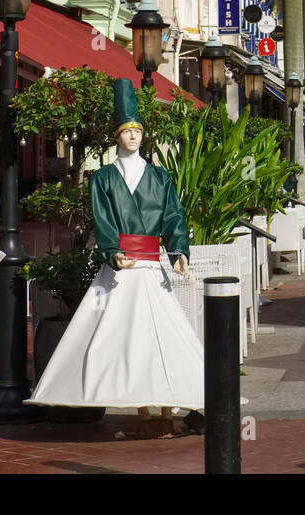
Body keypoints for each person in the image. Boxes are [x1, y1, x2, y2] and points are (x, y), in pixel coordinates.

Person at [26, 79, 203, 438]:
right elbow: (103, 219)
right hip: (122, 267)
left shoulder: (160, 177)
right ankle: (142, 411)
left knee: (163, 339)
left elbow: (173, 217)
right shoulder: (102, 178)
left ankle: (167, 411)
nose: (134, 136)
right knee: (123, 341)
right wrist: (112, 251)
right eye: (127, 130)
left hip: (153, 267)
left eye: (138, 130)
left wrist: (179, 250)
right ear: (116, 136)